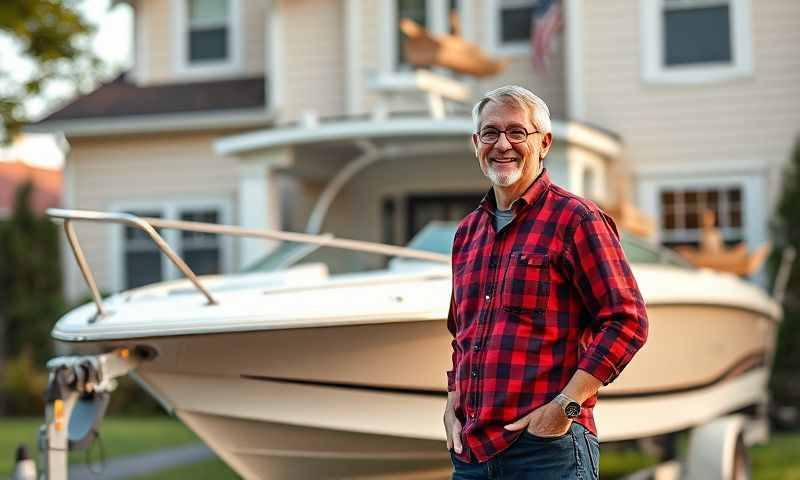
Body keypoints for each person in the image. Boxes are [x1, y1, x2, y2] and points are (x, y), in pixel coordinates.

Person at [444, 85, 649, 479]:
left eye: (517, 132)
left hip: (547, 452)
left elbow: (627, 322)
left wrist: (565, 408)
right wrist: (452, 400)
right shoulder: (467, 233)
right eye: (490, 133)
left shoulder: (577, 220)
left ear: (544, 143)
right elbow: (462, 334)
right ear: (476, 143)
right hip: (471, 455)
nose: (502, 144)